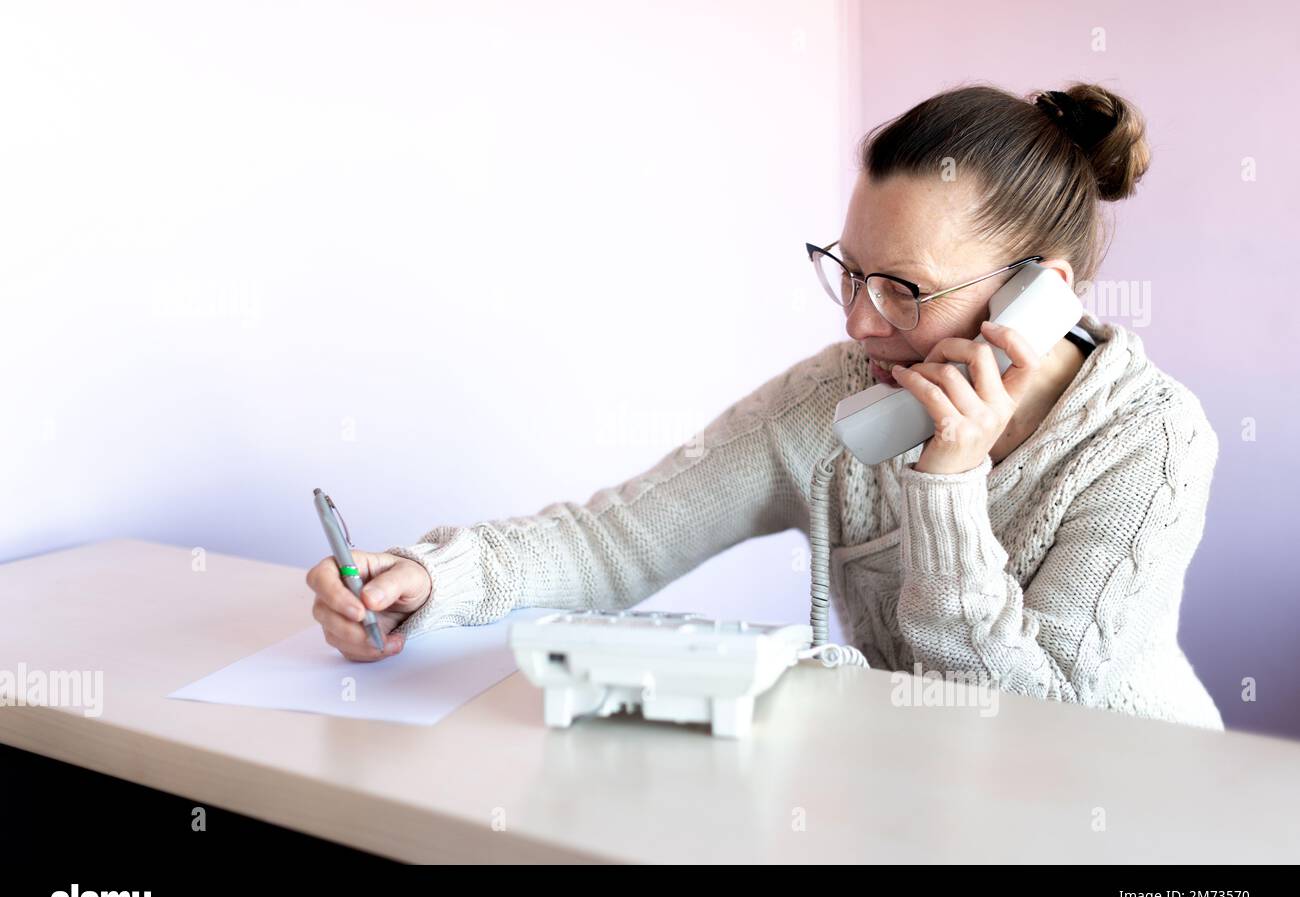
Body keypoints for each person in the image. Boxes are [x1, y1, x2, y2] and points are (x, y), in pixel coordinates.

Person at [305, 82, 1224, 730]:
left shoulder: (1152, 441)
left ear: (1040, 294)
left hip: (1133, 822)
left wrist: (946, 488)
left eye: (905, 286)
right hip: (926, 802)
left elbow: (1039, 725)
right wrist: (432, 579)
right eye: (850, 272)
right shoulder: (840, 399)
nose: (862, 322)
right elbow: (620, 539)